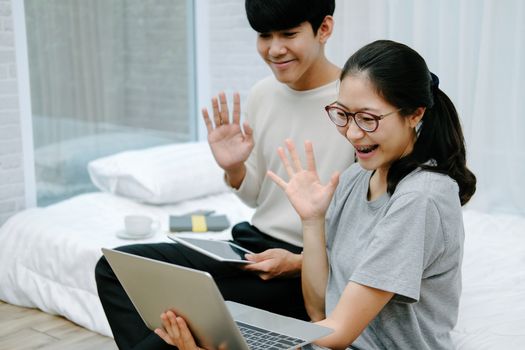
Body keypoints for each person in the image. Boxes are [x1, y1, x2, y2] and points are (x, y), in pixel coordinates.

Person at [155, 40, 477, 349]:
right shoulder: (357, 177)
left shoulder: (420, 198)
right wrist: (312, 220)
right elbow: (318, 310)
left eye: (368, 119)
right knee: (179, 329)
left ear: (415, 114)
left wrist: (247, 336)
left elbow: (336, 333)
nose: (352, 133)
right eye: (344, 115)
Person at [94, 0, 354, 348]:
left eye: (289, 34)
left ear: (324, 29)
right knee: (114, 269)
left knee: (171, 332)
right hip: (252, 246)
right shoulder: (263, 94)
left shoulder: (355, 101)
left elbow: (366, 226)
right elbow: (258, 195)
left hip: (309, 264)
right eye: (264, 36)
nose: (275, 49)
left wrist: (299, 262)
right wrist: (234, 167)